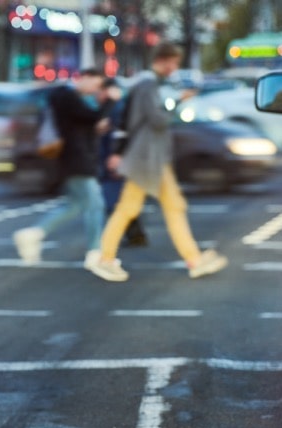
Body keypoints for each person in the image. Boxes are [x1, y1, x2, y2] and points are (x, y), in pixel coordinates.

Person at [87, 43, 228, 282]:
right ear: (162, 60)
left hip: (153, 158)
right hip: (146, 158)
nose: (174, 68)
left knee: (173, 207)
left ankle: (194, 260)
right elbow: (157, 119)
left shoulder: (147, 84)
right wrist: (178, 102)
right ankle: (105, 259)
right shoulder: (148, 84)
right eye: (172, 63)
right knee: (129, 209)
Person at [13, 68, 119, 270]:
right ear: (85, 78)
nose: (95, 90)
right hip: (76, 160)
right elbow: (91, 117)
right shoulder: (66, 96)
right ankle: (95, 252)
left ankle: (33, 234)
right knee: (95, 205)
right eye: (96, 85)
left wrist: (94, 126)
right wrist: (110, 101)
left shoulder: (70, 98)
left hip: (76, 159)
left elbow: (85, 122)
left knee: (75, 205)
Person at [98, 77, 148, 247]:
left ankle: (130, 236)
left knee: (114, 201)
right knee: (122, 201)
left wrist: (115, 156)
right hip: (120, 160)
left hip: (117, 161)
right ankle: (135, 235)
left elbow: (119, 135)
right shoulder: (116, 107)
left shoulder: (117, 108)